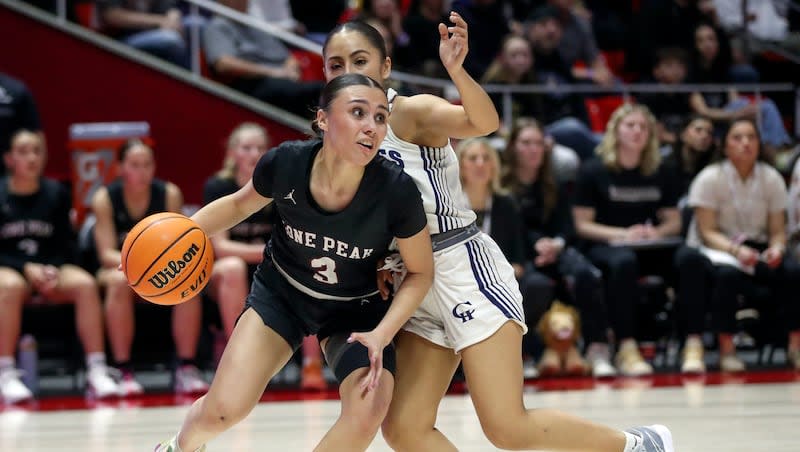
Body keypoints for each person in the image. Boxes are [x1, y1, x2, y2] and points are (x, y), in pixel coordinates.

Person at [322, 16, 674, 452]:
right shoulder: (336, 138)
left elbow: (483, 123)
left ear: (386, 66)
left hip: (461, 266)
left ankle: (638, 445)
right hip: (413, 280)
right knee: (404, 428)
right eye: (335, 65)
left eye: (360, 60)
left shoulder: (410, 113)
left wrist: (457, 71)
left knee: (506, 427)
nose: (348, 71)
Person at [155, 73, 434, 452]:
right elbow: (238, 205)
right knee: (223, 411)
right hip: (284, 293)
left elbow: (420, 272)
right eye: (358, 112)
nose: (371, 126)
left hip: (356, 309)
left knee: (370, 407)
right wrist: (176, 236)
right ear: (322, 119)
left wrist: (384, 332)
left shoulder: (396, 191)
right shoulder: (286, 163)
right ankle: (179, 447)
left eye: (381, 117)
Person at [202, 123, 327, 389]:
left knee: (306, 269)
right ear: (233, 153)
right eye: (247, 148)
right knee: (233, 267)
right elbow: (221, 248)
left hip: (273, 269)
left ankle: (312, 365)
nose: (254, 153)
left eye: (260, 148)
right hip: (227, 275)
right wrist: (266, 250)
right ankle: (237, 361)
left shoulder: (279, 184)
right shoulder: (218, 186)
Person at [0, 130, 119, 404]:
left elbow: (67, 245)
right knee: (8, 286)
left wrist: (50, 269)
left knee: (85, 284)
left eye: (37, 151)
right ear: (8, 159)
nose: (32, 157)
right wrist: (26, 267)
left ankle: (96, 368)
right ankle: (6, 372)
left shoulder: (56, 193)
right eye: (24, 151)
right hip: (10, 269)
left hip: (49, 268)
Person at [91, 140, 209, 397]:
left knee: (187, 280)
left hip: (158, 270)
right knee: (118, 281)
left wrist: (153, 264)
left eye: (147, 165)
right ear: (120, 168)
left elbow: (181, 241)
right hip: (119, 270)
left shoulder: (169, 194)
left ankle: (186, 368)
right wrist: (136, 264)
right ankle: (123, 369)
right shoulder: (105, 198)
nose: (142, 171)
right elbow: (105, 253)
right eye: (134, 165)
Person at [501, 117, 616, 378]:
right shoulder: (503, 187)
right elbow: (510, 232)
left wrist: (557, 244)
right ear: (513, 147)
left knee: (587, 275)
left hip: (555, 252)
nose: (533, 149)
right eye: (526, 143)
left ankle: (597, 348)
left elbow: (567, 227)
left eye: (538, 144)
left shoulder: (554, 181)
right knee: (534, 286)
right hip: (518, 255)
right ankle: (526, 354)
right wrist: (536, 246)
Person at [687, 118, 800, 371]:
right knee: (727, 275)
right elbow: (706, 232)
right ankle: (727, 350)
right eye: (737, 138)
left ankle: (795, 347)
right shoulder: (710, 177)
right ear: (725, 145)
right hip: (718, 248)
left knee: (793, 271)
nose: (745, 143)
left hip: (757, 245)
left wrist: (777, 249)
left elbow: (777, 231)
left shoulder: (771, 178)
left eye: (751, 137)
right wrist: (735, 251)